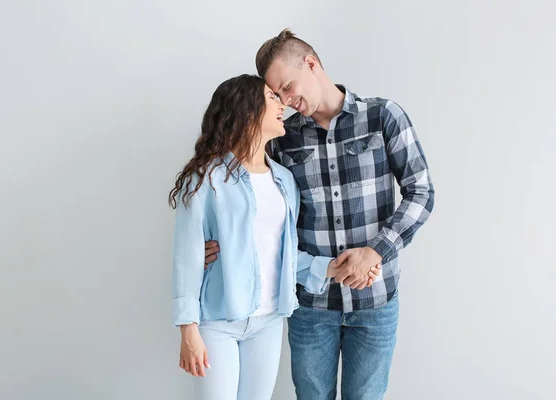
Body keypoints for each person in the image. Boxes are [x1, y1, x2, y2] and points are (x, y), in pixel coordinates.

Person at [205, 30, 435, 400]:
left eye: (288, 86)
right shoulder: (281, 137)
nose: (287, 101)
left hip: (375, 302)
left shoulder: (383, 117)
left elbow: (421, 192)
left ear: (311, 63)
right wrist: (207, 242)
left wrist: (375, 251)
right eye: (278, 95)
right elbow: (253, 208)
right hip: (311, 306)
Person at [169, 74, 380, 400]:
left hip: (268, 322)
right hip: (217, 322)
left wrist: (336, 268)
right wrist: (188, 330)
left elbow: (285, 255)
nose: (283, 104)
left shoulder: (283, 180)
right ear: (247, 109)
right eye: (272, 98)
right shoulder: (205, 180)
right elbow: (188, 257)